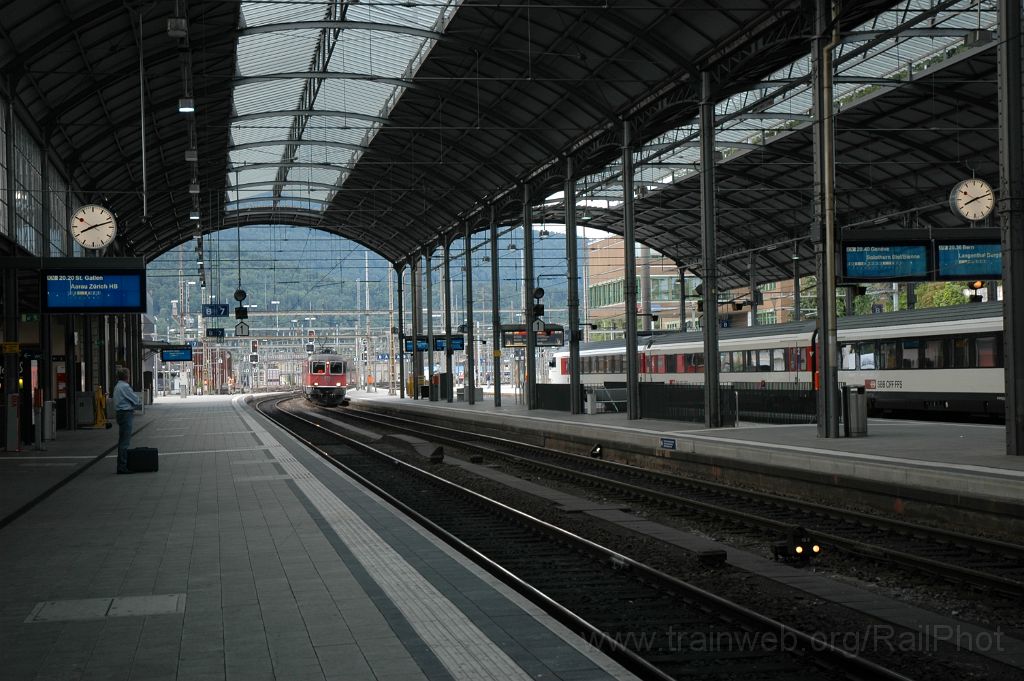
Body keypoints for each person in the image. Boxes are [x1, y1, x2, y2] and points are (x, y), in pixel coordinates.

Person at [113, 367, 142, 474]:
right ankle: (122, 466)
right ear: (126, 376)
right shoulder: (125, 387)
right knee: (124, 442)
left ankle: (121, 465)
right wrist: (136, 401)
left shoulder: (117, 386)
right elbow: (136, 400)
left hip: (120, 414)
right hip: (125, 414)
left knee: (122, 440)